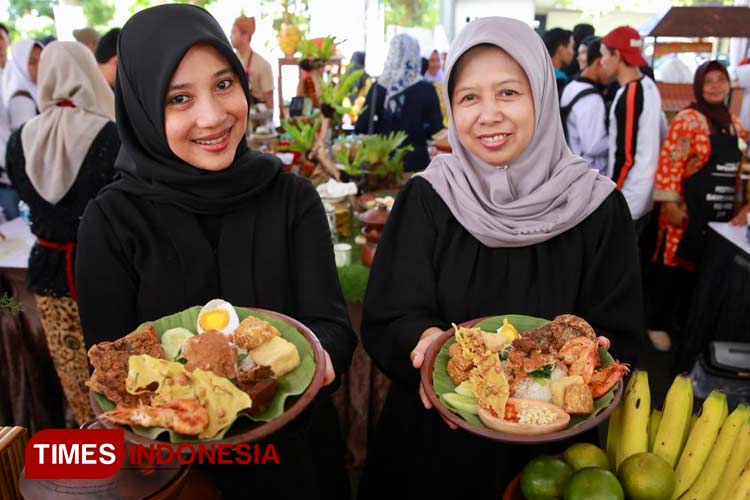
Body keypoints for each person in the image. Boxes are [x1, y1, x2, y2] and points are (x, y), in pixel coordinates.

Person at [75, 5, 355, 498]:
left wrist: (318, 358)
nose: (213, 115)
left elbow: (332, 328)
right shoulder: (113, 221)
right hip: (177, 472)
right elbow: (113, 374)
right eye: (179, 98)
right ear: (140, 107)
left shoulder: (290, 198)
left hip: (294, 459)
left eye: (224, 85)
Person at [359, 17, 644, 500]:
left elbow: (624, 337)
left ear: (541, 93)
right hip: (431, 453)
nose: (487, 114)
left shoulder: (597, 208)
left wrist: (592, 360)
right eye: (469, 97)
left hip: (552, 462)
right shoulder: (429, 197)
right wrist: (426, 344)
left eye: (508, 93)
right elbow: (389, 317)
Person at [5, 41, 119, 425]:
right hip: (107, 269)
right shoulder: (110, 134)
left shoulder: (19, 140)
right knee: (121, 369)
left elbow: (26, 195)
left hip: (49, 271)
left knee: (74, 371)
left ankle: (93, 446)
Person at [648, 61, 749, 352]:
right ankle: (657, 323)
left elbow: (743, 167)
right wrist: (670, 206)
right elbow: (669, 162)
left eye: (721, 79)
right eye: (709, 81)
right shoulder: (688, 119)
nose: (716, 86)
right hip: (684, 211)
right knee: (671, 270)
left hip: (719, 216)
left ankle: (683, 325)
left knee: (699, 272)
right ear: (698, 86)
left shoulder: (733, 123)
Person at [599, 26, 662, 234]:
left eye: (604, 55)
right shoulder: (649, 86)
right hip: (644, 195)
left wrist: (612, 197)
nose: (602, 62)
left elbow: (625, 155)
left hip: (629, 198)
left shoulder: (631, 94)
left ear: (617, 55)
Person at [354, 34, 443, 172]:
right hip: (417, 164)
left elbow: (361, 126)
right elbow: (436, 129)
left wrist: (385, 127)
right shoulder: (427, 89)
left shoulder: (378, 88)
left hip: (383, 164)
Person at [560, 37, 609, 174]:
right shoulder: (592, 99)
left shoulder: (571, 87)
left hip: (572, 168)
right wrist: (620, 138)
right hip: (588, 174)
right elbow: (593, 146)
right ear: (599, 62)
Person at [230, 14, 273, 110]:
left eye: (233, 32)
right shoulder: (228, 62)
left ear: (245, 36)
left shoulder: (262, 65)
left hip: (257, 118)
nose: (230, 36)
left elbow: (269, 100)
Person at [6, 39, 43, 131]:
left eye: (43, 59)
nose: (40, 66)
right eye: (32, 62)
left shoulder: (38, 91)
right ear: (20, 67)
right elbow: (28, 141)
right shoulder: (21, 100)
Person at [541, 27, 574, 97]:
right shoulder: (560, 80)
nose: (573, 52)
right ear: (561, 49)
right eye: (571, 47)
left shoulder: (538, 73)